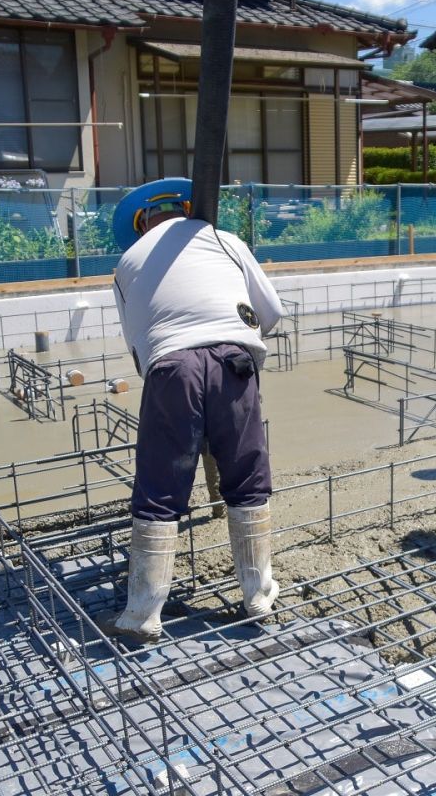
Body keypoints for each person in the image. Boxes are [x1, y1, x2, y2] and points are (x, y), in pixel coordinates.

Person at [100, 177, 285, 643]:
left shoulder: (127, 263)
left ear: (141, 226)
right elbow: (273, 312)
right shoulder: (225, 240)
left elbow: (138, 346)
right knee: (245, 477)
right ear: (188, 208)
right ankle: (258, 593)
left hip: (170, 367)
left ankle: (142, 613)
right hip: (234, 360)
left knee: (160, 488)